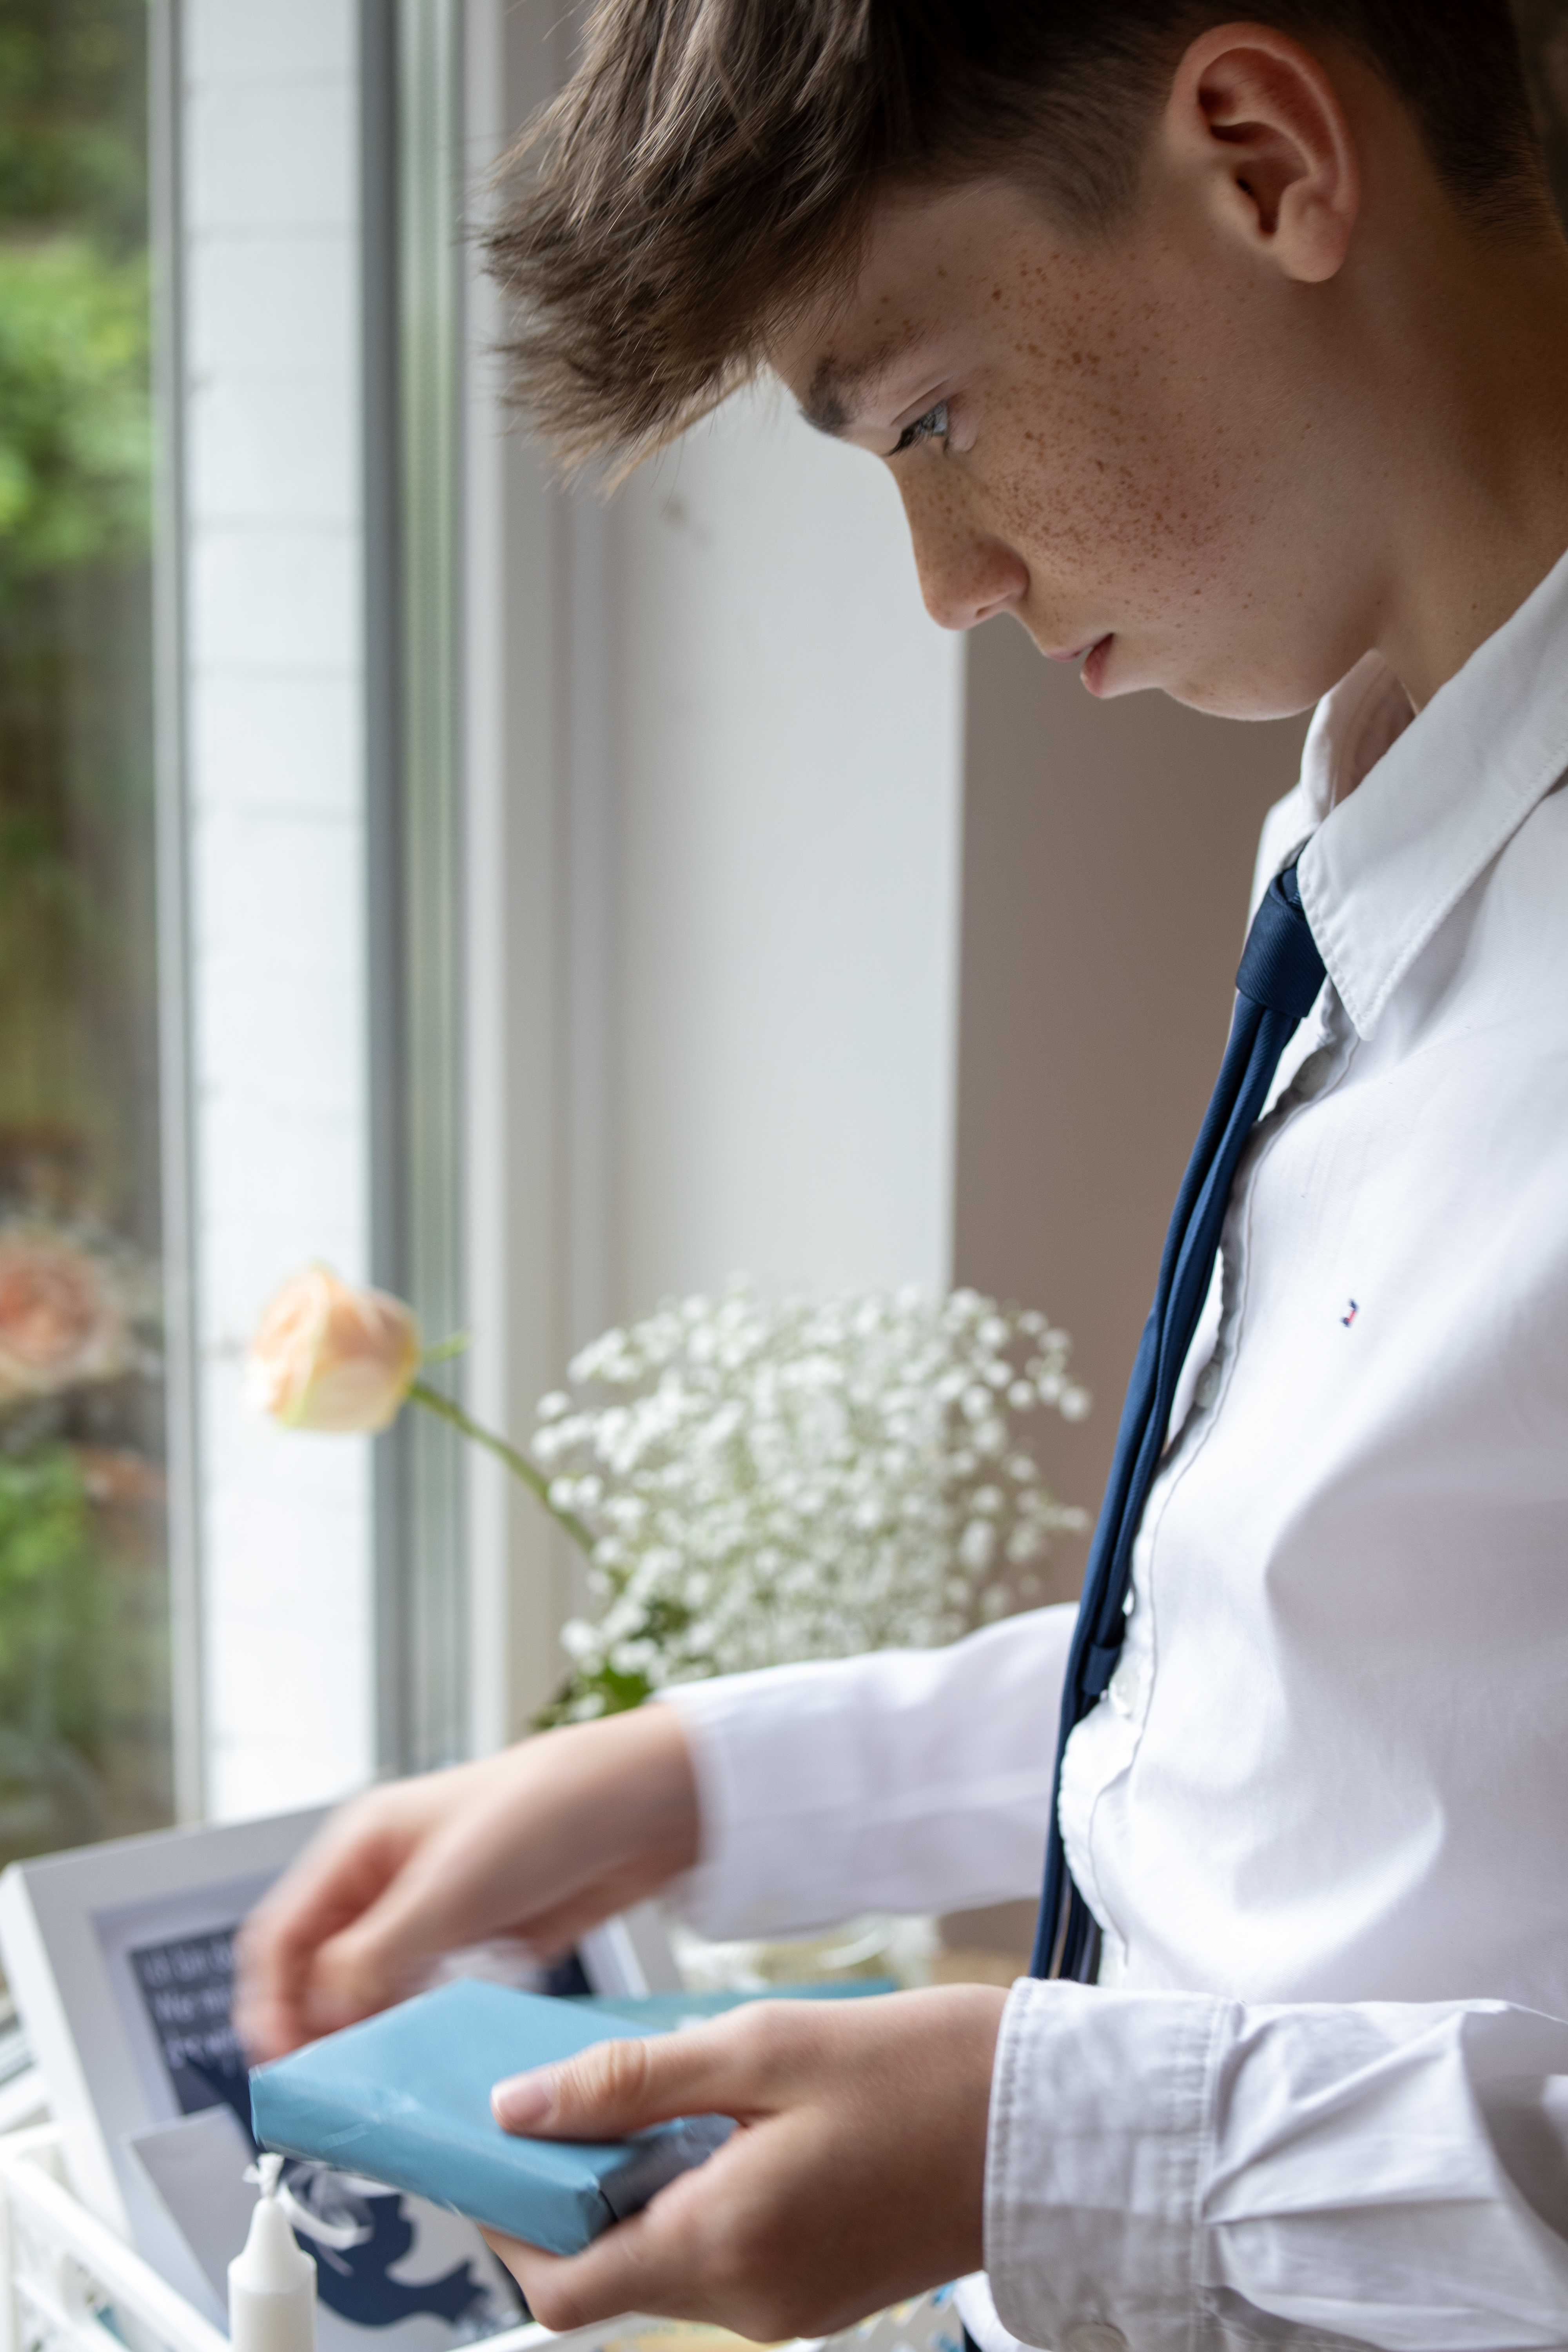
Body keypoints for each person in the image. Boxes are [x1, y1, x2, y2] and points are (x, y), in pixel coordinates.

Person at [236, 5, 1568, 2345]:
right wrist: (702, 1784)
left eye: (929, 418)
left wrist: (1050, 2152)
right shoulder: (1383, 831)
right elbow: (1333, 1706)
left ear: (1264, 160)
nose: (946, 581)